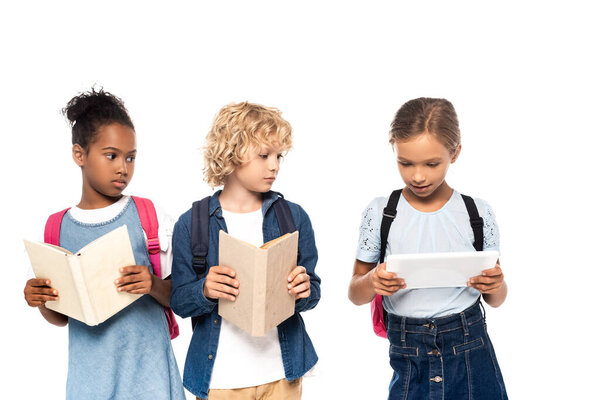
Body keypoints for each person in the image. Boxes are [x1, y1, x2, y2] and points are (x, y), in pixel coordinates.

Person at [23, 88, 185, 400]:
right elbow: (60, 318)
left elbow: (180, 298)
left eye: (130, 157)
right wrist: (41, 299)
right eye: (111, 155)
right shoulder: (57, 228)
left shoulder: (149, 216)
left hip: (150, 381)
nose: (123, 167)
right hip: (90, 384)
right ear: (79, 154)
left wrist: (151, 283)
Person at [348, 97, 508, 399]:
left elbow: (496, 299)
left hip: (471, 349)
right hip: (410, 354)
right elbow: (355, 293)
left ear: (455, 153)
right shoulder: (382, 212)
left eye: (431, 164)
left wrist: (496, 284)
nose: (417, 176)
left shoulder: (477, 213)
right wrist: (372, 281)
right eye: (405, 163)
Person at [170, 102, 320, 400]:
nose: (274, 165)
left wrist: (304, 289)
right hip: (221, 378)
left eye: (279, 155)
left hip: (282, 372)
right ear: (231, 153)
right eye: (264, 155)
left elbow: (313, 290)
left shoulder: (293, 217)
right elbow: (178, 302)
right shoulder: (192, 223)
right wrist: (205, 290)